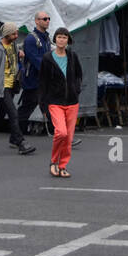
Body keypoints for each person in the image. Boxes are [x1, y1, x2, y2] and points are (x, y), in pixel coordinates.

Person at [0, 22, 35, 155]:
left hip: (12, 86)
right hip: (2, 87)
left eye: (17, 33)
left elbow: (14, 55)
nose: (16, 36)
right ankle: (20, 143)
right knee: (13, 113)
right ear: (6, 34)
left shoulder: (13, 45)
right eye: (14, 34)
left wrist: (20, 52)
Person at [38, 26, 83, 178]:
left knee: (69, 137)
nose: (61, 40)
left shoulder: (73, 56)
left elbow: (79, 75)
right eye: (59, 37)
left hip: (72, 102)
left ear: (68, 40)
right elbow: (43, 82)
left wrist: (76, 89)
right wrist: (42, 103)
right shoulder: (47, 58)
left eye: (64, 37)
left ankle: (63, 165)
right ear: (55, 39)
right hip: (54, 101)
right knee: (61, 132)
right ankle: (53, 162)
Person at [17, 11, 51, 136]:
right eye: (44, 19)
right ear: (37, 21)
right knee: (26, 109)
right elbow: (36, 61)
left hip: (42, 81)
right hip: (33, 81)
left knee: (52, 108)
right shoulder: (31, 39)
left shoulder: (46, 38)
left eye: (48, 19)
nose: (47, 21)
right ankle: (16, 136)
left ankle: (63, 136)